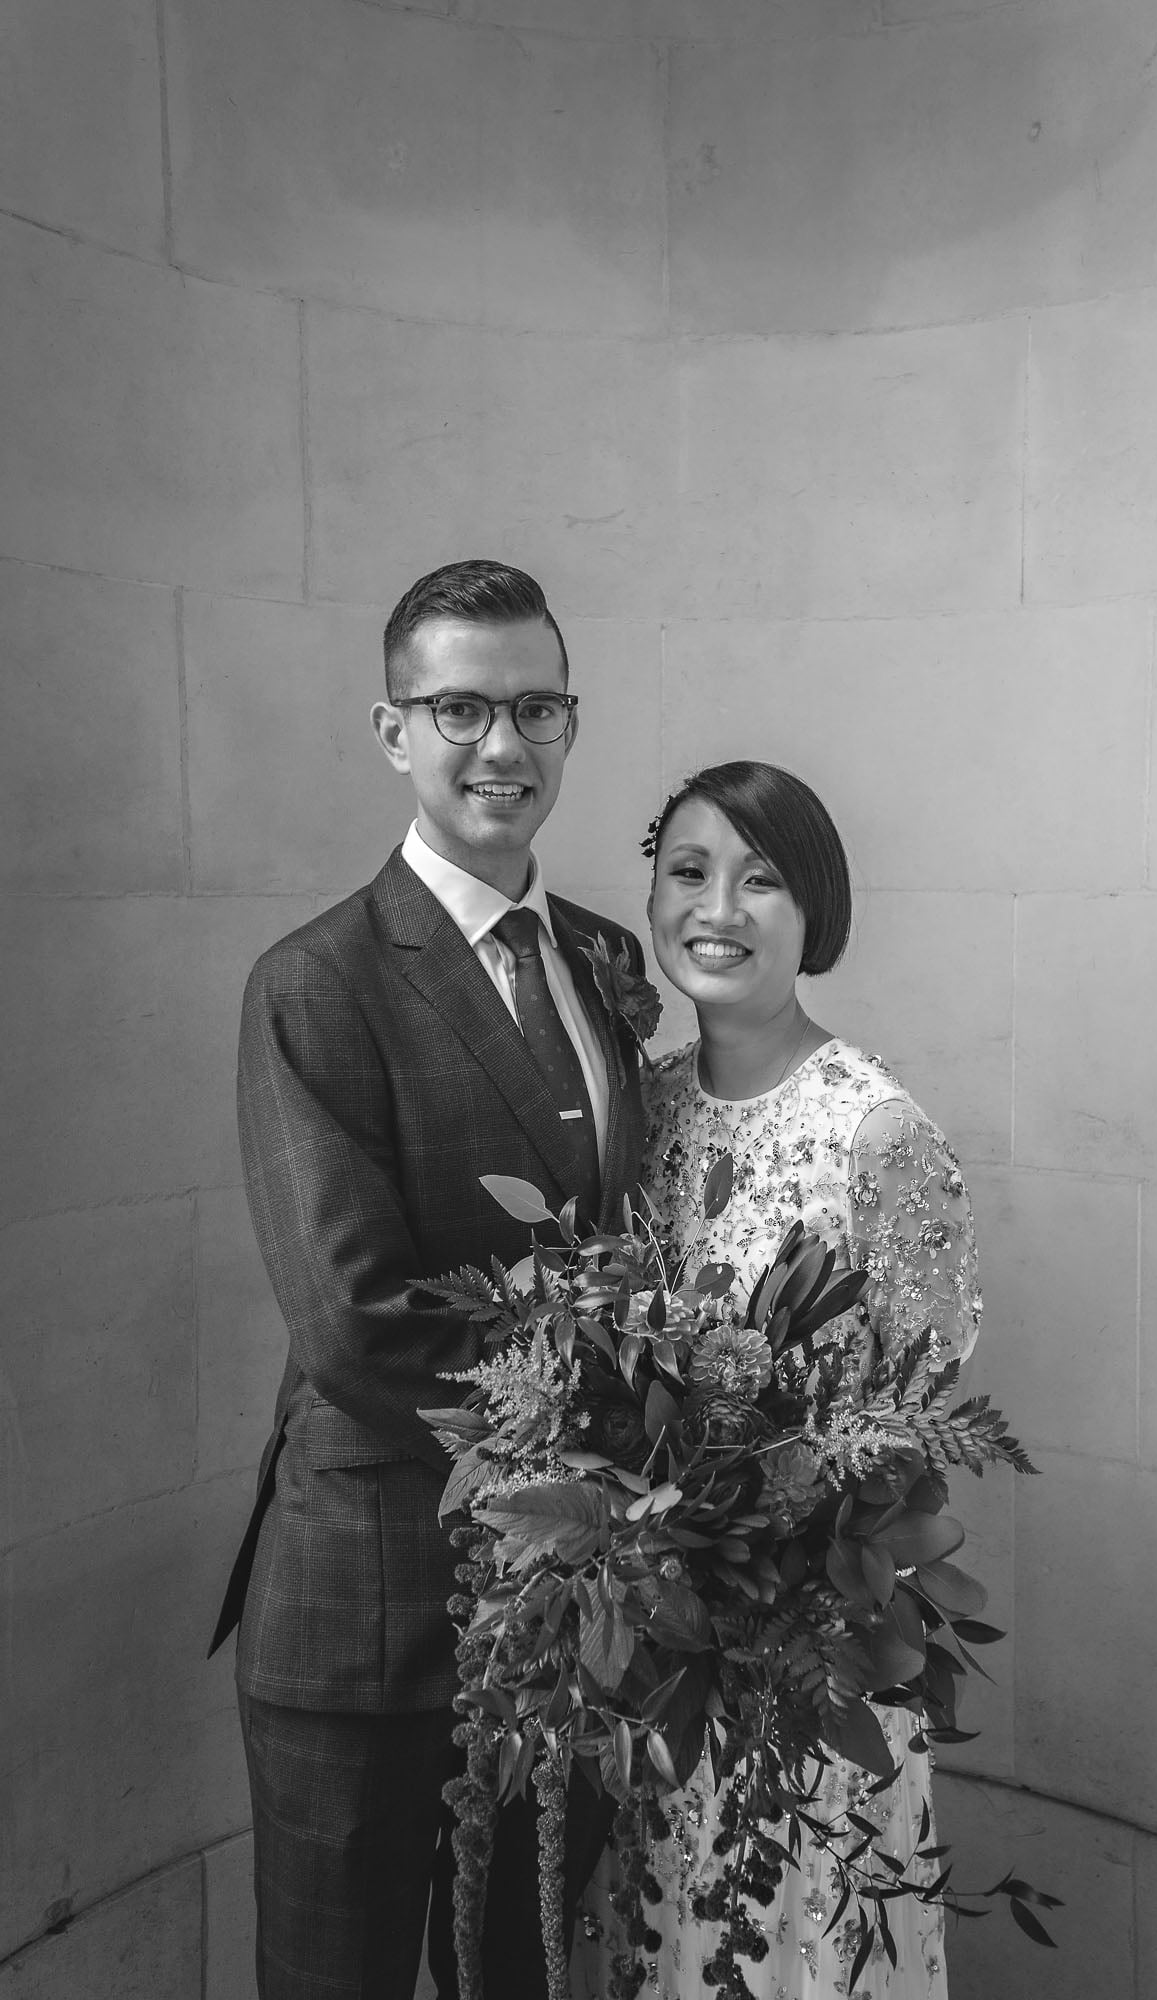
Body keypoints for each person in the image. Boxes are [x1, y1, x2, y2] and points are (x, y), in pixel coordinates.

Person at [208, 560, 647, 2000]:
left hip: (567, 1621)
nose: (502, 746)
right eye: (458, 707)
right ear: (392, 730)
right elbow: (353, 1321)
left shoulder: (602, 955)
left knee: (521, 1978)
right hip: (371, 1612)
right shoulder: (316, 981)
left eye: (536, 707)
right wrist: (603, 1473)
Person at [571, 761, 982, 2000]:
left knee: (795, 1946)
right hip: (651, 1658)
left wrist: (752, 1529)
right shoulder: (635, 1114)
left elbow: (916, 1425)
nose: (718, 907)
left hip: (809, 1648)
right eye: (688, 871)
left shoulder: (875, 1129)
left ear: (815, 911)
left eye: (760, 879)